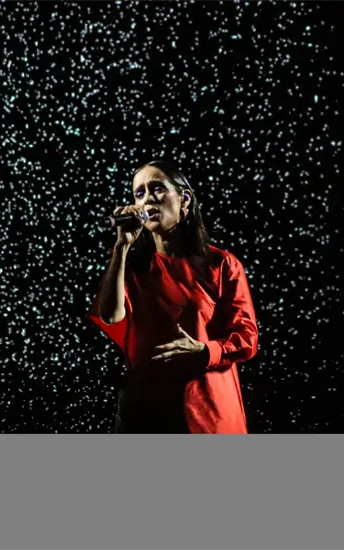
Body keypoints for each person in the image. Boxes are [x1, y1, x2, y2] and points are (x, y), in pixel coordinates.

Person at [88, 160, 259, 433]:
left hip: (207, 413)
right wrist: (121, 247)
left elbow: (247, 337)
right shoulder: (132, 268)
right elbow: (110, 316)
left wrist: (206, 352)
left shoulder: (221, 264)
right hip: (146, 413)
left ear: (185, 198)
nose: (147, 199)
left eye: (156, 188)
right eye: (139, 193)